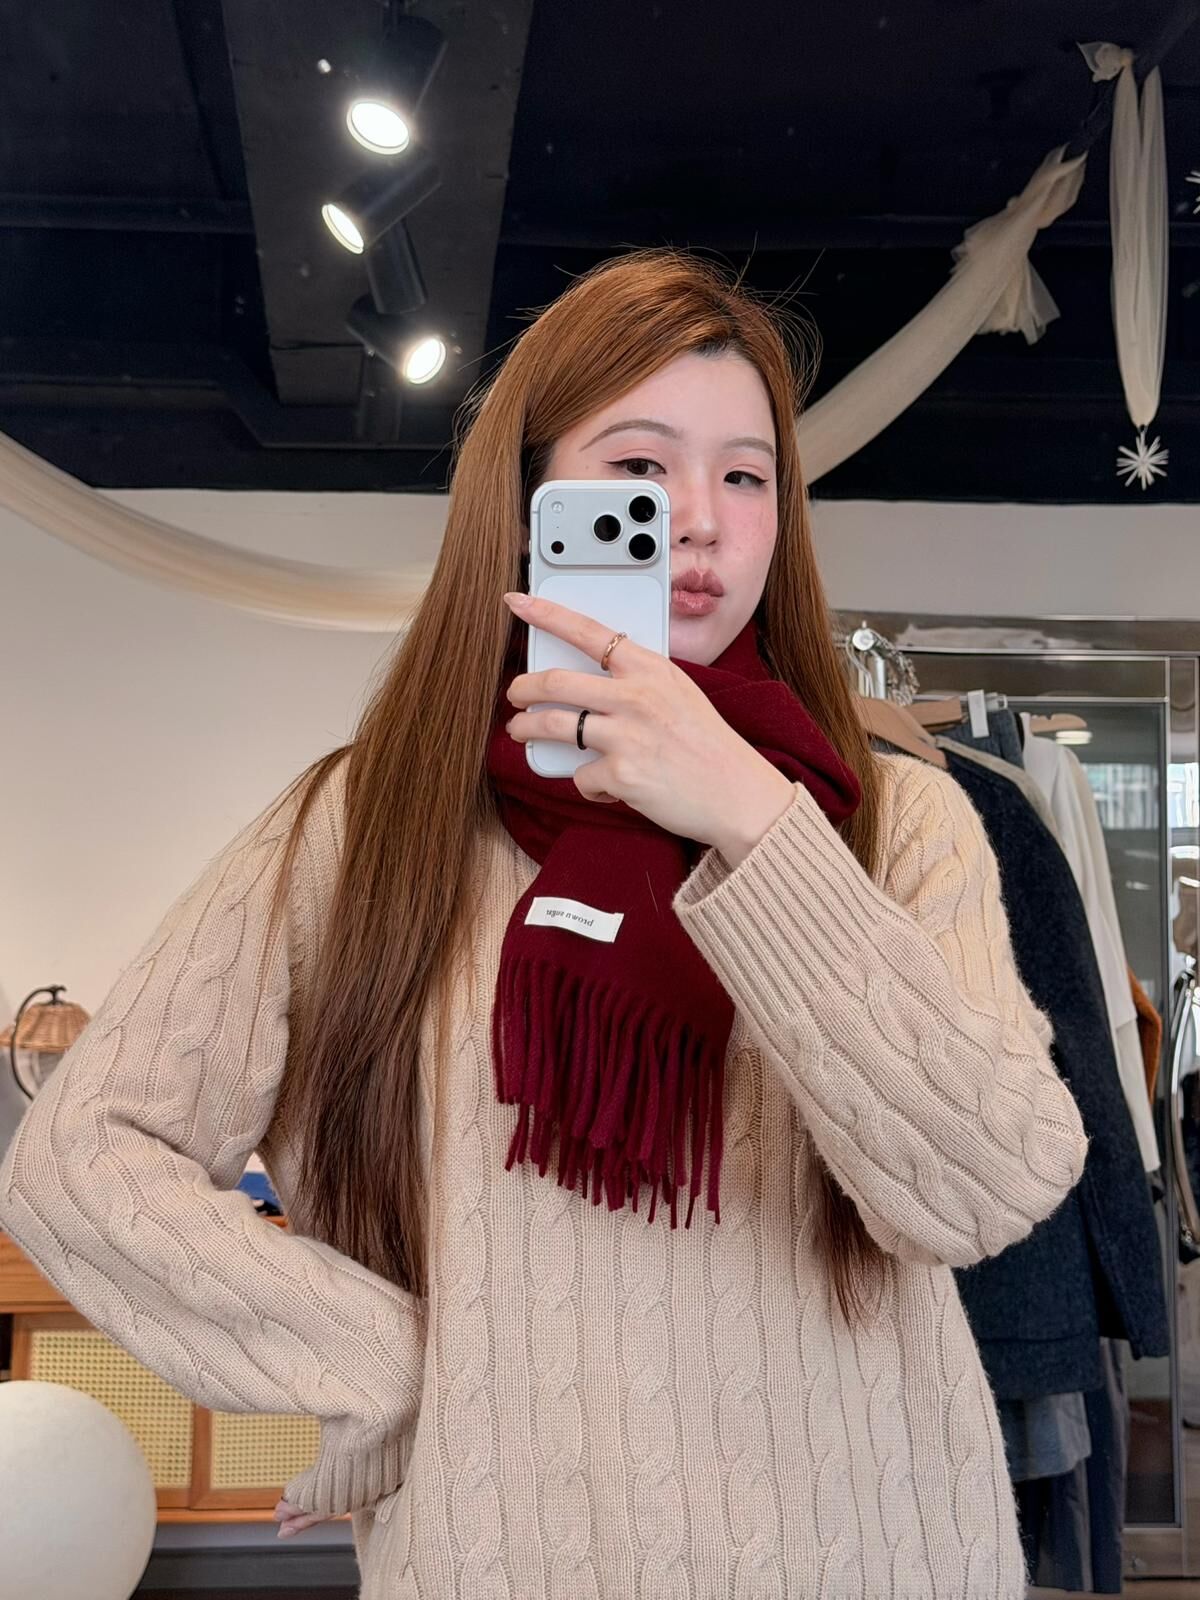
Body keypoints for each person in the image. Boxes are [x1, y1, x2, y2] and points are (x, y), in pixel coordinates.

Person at [0, 248, 1089, 1598]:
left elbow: (987, 1187)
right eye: (639, 470)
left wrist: (752, 824)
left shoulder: (897, 823)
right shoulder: (372, 827)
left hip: (875, 1552)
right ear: (530, 510)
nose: (701, 522)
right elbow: (81, 1160)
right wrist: (390, 1363)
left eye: (747, 477)